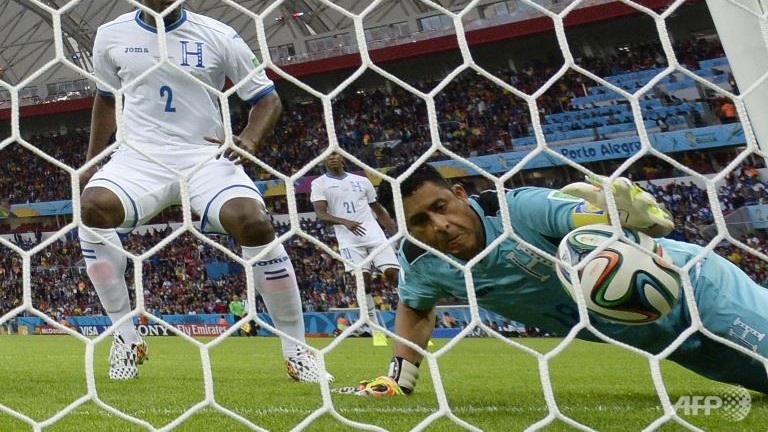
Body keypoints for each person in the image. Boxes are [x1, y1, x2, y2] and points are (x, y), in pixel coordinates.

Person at [79, 0, 332, 383]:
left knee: (254, 222)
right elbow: (107, 98)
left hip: (205, 154)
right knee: (93, 207)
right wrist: (91, 161)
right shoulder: (110, 35)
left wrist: (249, 139)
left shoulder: (218, 35)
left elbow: (267, 98)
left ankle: (298, 351)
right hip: (139, 157)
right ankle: (126, 338)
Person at [356, 163, 768, 396]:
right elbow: (414, 305)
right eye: (420, 222)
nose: (440, 226)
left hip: (696, 289)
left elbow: (588, 215)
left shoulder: (518, 209)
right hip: (658, 339)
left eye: (442, 206)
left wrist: (627, 217)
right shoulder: (422, 261)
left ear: (461, 194)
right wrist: (401, 375)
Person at [310, 152, 399, 346]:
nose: (332, 158)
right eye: (328, 156)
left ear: (342, 158)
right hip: (349, 241)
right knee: (363, 282)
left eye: (335, 155)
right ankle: (376, 331)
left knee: (395, 275)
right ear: (323, 160)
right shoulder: (319, 184)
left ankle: (406, 330)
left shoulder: (361, 181)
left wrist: (394, 234)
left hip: (375, 236)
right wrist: (345, 222)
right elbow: (321, 214)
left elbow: (379, 211)